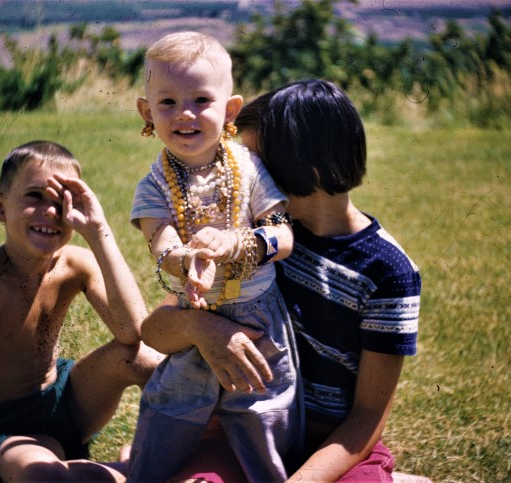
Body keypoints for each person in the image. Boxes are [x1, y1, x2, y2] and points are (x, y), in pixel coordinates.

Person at [140, 79, 422, 482]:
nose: (237, 179)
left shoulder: (389, 272)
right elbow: (154, 331)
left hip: (336, 451)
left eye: (253, 166)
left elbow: (367, 418)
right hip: (244, 433)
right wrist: (203, 327)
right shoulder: (250, 243)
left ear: (309, 170)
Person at [0, 140, 160, 482]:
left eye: (64, 201)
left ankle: (163, 451)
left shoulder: (75, 263)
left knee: (144, 358)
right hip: (10, 427)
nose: (51, 212)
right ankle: (129, 470)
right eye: (35, 196)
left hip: (69, 400)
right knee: (43, 475)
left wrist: (98, 231)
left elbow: (132, 332)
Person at [127, 31, 300, 482]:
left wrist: (238, 242)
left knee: (262, 412)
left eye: (201, 99)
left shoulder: (249, 167)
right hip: (193, 313)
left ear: (230, 110)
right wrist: (187, 261)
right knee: (171, 410)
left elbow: (284, 236)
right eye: (167, 102)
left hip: (259, 317)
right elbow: (160, 244)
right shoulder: (155, 185)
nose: (184, 113)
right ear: (147, 113)